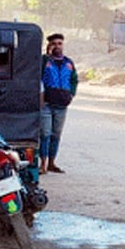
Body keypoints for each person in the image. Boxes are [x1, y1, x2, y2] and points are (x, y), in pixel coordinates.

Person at [40, 32, 78, 174]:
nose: (57, 46)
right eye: (54, 43)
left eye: (59, 43)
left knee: (56, 135)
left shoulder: (69, 63)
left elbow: (74, 79)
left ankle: (52, 163)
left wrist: (71, 93)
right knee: (45, 134)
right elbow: (37, 74)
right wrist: (46, 55)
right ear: (49, 45)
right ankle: (42, 164)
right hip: (46, 104)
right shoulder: (44, 61)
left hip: (62, 105)